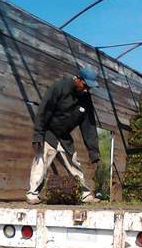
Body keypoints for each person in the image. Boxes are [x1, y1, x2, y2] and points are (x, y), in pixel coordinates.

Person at [27, 66, 102, 205]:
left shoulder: (85, 98)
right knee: (41, 161)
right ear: (78, 79)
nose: (87, 89)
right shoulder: (60, 87)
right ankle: (32, 194)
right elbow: (44, 109)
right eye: (85, 85)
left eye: (89, 88)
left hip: (64, 136)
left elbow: (88, 126)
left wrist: (93, 151)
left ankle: (84, 194)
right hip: (49, 132)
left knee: (74, 163)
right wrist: (38, 134)